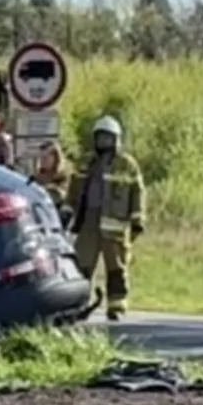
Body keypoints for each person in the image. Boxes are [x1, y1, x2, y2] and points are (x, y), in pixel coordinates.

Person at [66, 116, 146, 322]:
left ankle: (116, 306)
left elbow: (138, 193)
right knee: (82, 265)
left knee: (116, 269)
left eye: (107, 138)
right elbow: (73, 191)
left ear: (116, 139)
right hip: (88, 223)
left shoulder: (127, 165)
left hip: (115, 226)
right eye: (100, 138)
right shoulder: (85, 162)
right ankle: (78, 304)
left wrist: (138, 220)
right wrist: (67, 211)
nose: (103, 142)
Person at [29, 141, 70, 211]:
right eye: (41, 158)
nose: (42, 161)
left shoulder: (62, 177)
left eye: (46, 158)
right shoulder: (33, 178)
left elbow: (63, 197)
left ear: (55, 158)